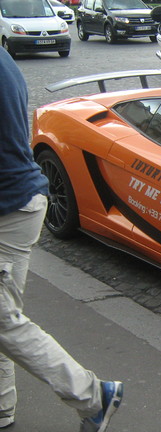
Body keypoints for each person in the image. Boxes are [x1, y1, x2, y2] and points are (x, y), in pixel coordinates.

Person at [0, 48, 123, 432]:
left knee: (2, 319)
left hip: (10, 208)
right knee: (4, 317)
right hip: (14, 203)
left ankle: (92, 396)